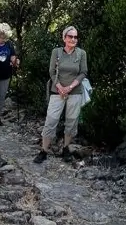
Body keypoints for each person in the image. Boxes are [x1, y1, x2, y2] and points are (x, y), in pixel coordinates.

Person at [35, 26, 88, 163]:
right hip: (57, 91)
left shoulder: (81, 53)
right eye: (70, 36)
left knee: (71, 122)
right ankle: (44, 151)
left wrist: (70, 87)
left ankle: (66, 149)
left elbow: (83, 72)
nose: (73, 39)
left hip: (75, 92)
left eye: (75, 37)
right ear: (64, 38)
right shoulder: (56, 52)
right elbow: (52, 72)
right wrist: (60, 87)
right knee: (51, 120)